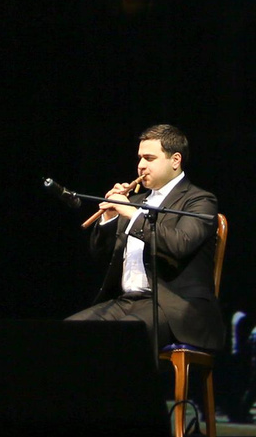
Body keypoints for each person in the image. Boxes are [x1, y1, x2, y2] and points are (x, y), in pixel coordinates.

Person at [68, 123, 225, 359]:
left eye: (150, 158)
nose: (141, 165)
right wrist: (110, 218)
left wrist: (132, 213)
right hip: (126, 301)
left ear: (175, 160)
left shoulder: (199, 201)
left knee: (123, 337)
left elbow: (179, 245)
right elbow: (100, 257)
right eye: (140, 158)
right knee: (66, 334)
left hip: (174, 308)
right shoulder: (137, 200)